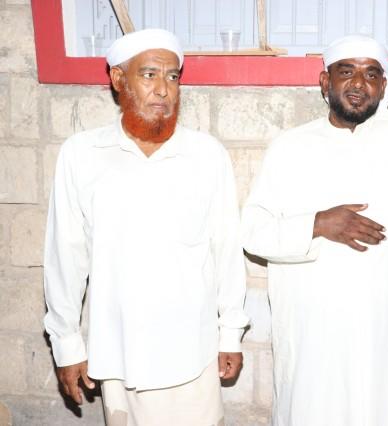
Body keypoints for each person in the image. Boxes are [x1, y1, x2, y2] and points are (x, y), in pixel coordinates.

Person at [43, 28, 248, 426]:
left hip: (193, 353)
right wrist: (66, 344)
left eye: (172, 77)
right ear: (118, 79)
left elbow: (226, 251)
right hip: (121, 353)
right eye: (149, 74)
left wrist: (230, 333)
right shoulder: (82, 155)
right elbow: (65, 256)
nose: (163, 89)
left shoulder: (206, 155)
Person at [241, 35, 388, 426]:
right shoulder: (290, 147)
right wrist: (318, 224)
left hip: (384, 327)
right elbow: (253, 232)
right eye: (346, 71)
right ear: (325, 81)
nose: (359, 83)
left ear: (383, 86)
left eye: (371, 73)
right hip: (312, 332)